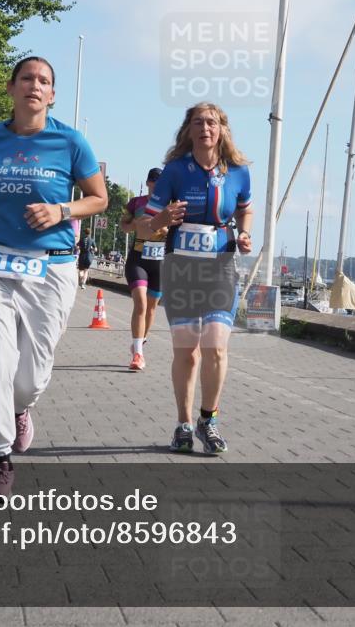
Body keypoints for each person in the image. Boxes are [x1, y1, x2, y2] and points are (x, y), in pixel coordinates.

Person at [0, 56, 107, 496]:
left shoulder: (71, 142)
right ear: (12, 88)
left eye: (44, 81)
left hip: (51, 264)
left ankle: (20, 409)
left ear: (52, 95)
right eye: (27, 78)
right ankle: (0, 458)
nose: (35, 85)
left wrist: (61, 210)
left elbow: (99, 199)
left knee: (31, 376)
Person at [142, 103, 253, 454]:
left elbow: (245, 207)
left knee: (216, 346)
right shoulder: (174, 171)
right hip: (182, 267)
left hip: (220, 265)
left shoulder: (238, 171)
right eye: (198, 123)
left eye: (212, 122)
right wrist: (163, 217)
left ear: (222, 129)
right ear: (188, 130)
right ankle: (183, 424)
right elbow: (146, 226)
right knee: (188, 352)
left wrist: (245, 233)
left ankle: (209, 419)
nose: (205, 128)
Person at [120, 167, 168, 371]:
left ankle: (141, 341)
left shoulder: (170, 205)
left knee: (151, 308)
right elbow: (124, 226)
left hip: (160, 261)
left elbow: (176, 230)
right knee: (140, 304)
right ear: (148, 183)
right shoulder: (135, 203)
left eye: (161, 183)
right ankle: (138, 354)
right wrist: (136, 225)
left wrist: (163, 227)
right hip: (138, 258)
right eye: (154, 182)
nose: (157, 186)